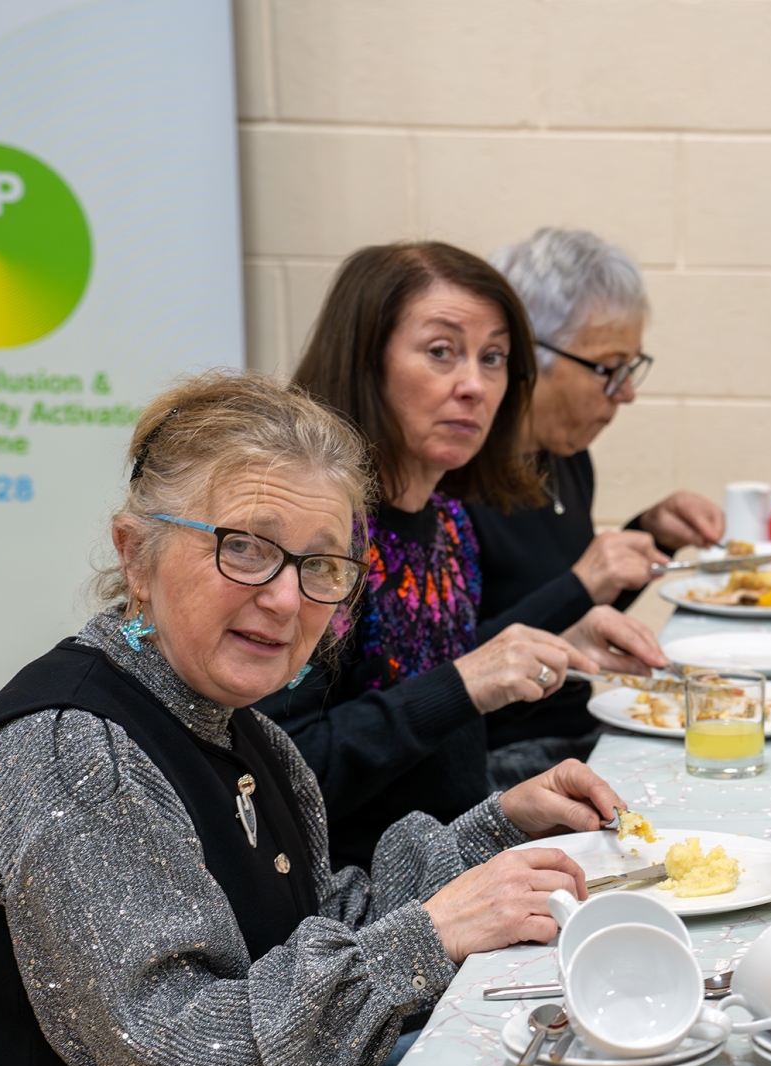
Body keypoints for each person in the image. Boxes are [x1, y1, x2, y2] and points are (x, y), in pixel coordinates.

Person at [0, 373, 623, 1066]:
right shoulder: (74, 756)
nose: (287, 600)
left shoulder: (239, 730)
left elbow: (316, 924)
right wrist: (430, 934)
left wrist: (494, 834)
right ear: (135, 553)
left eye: (321, 566)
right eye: (245, 549)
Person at [256, 241, 666, 867]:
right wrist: (468, 681)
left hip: (457, 853)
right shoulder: (320, 539)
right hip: (360, 896)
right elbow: (284, 772)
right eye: (441, 352)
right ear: (367, 361)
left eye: (493, 358)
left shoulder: (447, 518)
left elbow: (429, 687)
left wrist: (554, 642)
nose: (474, 386)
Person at [477, 228, 725, 787]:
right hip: (506, 757)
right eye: (609, 368)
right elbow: (455, 673)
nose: (626, 392)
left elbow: (575, 617)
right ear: (529, 355)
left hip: (575, 727)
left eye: (630, 367)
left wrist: (653, 535)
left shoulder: (566, 457)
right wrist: (583, 581)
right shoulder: (459, 477)